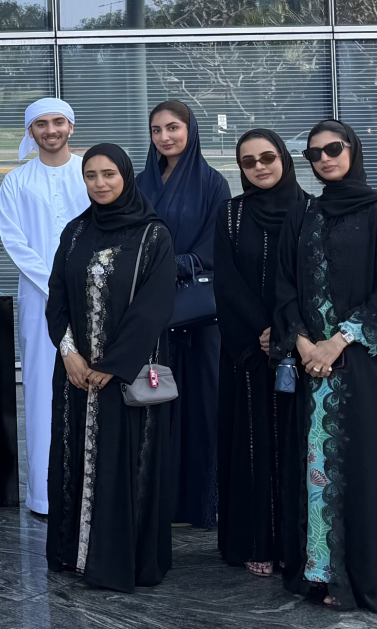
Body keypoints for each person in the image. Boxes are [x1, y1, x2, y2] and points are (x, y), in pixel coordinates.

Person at [273, 120, 377, 612]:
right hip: (311, 368)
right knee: (314, 466)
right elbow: (283, 285)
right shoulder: (304, 215)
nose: (324, 159)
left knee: (364, 466)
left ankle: (361, 575)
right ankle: (320, 571)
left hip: (362, 366)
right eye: (313, 153)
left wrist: (337, 343)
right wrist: (303, 344)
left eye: (333, 148)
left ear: (353, 150)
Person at [47, 143, 176, 592]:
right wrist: (69, 353)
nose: (99, 184)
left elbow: (154, 307)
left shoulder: (153, 235)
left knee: (124, 461)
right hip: (76, 373)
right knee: (74, 459)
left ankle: (118, 561)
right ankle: (74, 553)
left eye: (109, 174)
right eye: (91, 176)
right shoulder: (75, 232)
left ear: (126, 177)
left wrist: (114, 364)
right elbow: (57, 297)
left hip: (128, 375)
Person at [213, 129, 307, 577]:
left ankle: (296, 543)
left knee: (296, 443)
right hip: (247, 350)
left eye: (267, 157)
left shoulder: (310, 210)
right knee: (252, 443)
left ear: (284, 158)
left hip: (300, 349)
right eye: (248, 162)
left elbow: (316, 280)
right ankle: (255, 541)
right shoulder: (231, 214)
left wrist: (287, 332)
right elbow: (226, 281)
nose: (259, 167)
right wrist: (261, 334)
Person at [136, 100, 229, 528]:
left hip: (200, 316)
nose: (165, 137)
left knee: (203, 406)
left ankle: (202, 504)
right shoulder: (140, 182)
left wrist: (174, 264)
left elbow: (218, 244)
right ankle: (161, 502)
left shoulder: (213, 183)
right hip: (152, 311)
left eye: (173, 127)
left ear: (191, 130)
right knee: (154, 402)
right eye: (156, 130)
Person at [0, 97, 89, 519]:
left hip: (90, 294)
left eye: (58, 122)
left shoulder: (90, 172)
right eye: (41, 124)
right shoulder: (16, 181)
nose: (50, 131)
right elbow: (14, 240)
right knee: (39, 388)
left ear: (70, 127)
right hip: (39, 298)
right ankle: (44, 495)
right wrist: (53, 284)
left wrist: (80, 283)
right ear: (30, 132)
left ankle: (91, 490)